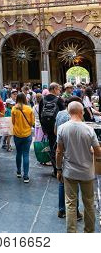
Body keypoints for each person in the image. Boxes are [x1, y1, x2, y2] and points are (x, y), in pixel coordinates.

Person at [56, 101, 101, 233]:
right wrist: (91, 151)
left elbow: (59, 151)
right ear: (81, 112)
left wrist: (59, 169)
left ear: (69, 112)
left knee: (70, 203)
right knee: (89, 203)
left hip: (69, 172)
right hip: (87, 172)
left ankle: (72, 233)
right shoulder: (89, 129)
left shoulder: (62, 128)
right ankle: (89, 231)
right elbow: (97, 151)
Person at [55, 97, 83, 220]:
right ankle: (75, 212)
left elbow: (55, 131)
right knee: (74, 182)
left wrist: (58, 168)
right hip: (74, 153)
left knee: (62, 182)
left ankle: (61, 210)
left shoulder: (60, 113)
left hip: (61, 150)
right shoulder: (75, 118)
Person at [39, 82, 65, 176]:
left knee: (52, 146)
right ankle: (59, 169)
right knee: (59, 147)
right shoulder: (59, 100)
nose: (59, 91)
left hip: (47, 127)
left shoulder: (42, 100)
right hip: (58, 127)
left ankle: (55, 169)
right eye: (58, 89)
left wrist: (43, 128)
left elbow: (40, 114)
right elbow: (64, 114)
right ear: (54, 89)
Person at [11, 93, 35, 183]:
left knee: (18, 153)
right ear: (25, 99)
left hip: (17, 134)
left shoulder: (14, 108)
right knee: (26, 154)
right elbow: (32, 122)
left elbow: (12, 122)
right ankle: (26, 176)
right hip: (27, 134)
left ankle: (18, 172)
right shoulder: (29, 109)